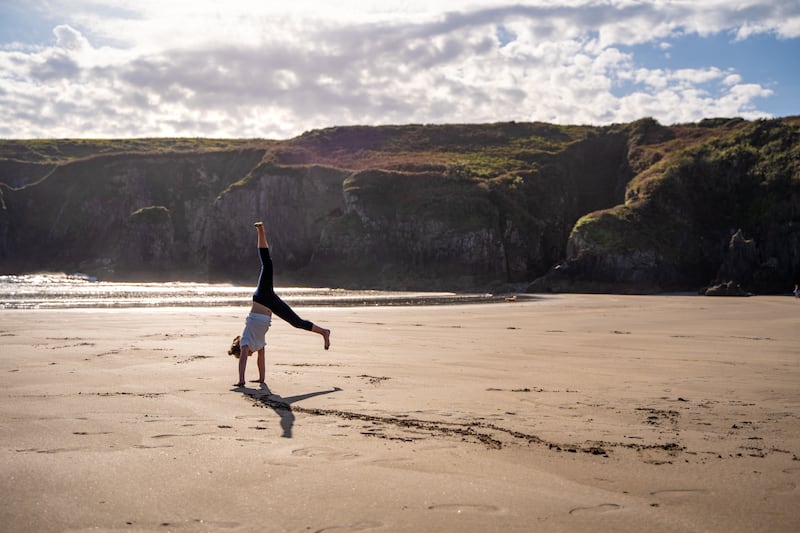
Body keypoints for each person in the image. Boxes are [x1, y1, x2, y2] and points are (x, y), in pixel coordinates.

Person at [231, 221, 331, 386]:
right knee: (296, 322)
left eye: (245, 354)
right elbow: (261, 360)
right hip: (269, 304)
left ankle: (261, 231)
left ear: (240, 349)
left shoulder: (245, 342)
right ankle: (324, 332)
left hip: (262, 297)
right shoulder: (257, 344)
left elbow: (243, 361)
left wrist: (241, 380)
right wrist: (261, 379)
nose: (248, 355)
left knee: (267, 264)